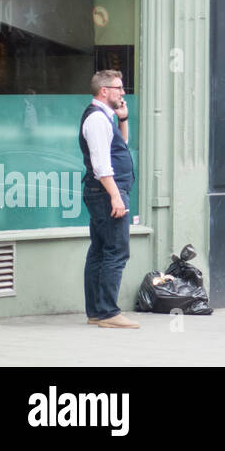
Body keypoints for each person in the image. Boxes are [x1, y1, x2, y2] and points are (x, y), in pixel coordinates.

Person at [81, 69, 138, 328]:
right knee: (116, 251)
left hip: (104, 193)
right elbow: (102, 165)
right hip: (106, 193)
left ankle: (97, 312)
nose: (123, 93)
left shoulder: (106, 118)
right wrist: (116, 197)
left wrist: (123, 119)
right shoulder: (96, 120)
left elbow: (120, 147)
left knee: (101, 250)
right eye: (119, 88)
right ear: (104, 91)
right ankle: (107, 312)